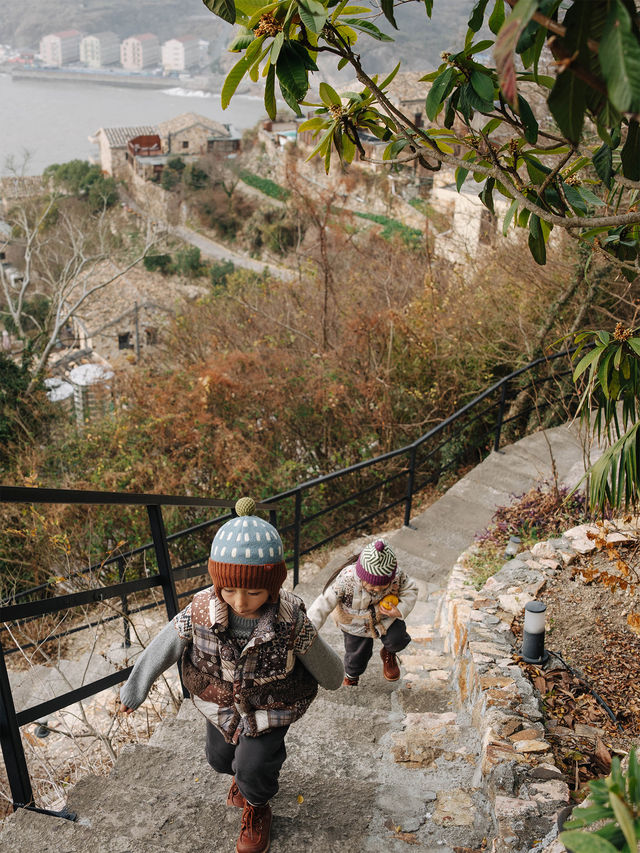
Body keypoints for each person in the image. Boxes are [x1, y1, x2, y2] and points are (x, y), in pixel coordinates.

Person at [119, 497, 344, 853]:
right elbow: (166, 644)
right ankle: (240, 776)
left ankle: (258, 806)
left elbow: (321, 658)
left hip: (271, 705)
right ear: (216, 582)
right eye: (229, 589)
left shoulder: (290, 620)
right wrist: (136, 688)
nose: (240, 601)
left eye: (253, 591)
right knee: (219, 759)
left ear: (272, 585)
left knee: (254, 766)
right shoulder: (199, 611)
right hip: (220, 702)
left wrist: (335, 676)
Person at [307, 538, 418, 686]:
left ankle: (388, 652)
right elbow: (324, 602)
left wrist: (400, 610)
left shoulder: (397, 575)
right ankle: (351, 676)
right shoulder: (346, 580)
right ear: (361, 576)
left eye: (383, 584)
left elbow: (411, 588)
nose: (378, 589)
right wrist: (308, 628)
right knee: (357, 656)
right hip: (355, 624)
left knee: (398, 638)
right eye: (372, 585)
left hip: (385, 618)